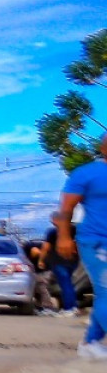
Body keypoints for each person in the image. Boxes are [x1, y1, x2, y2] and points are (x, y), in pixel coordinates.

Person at [56, 131, 107, 360]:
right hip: (96, 241)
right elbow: (66, 208)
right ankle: (91, 342)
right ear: (104, 147)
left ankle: (90, 342)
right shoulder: (86, 173)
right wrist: (64, 237)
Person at [42, 210, 80, 316]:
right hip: (73, 261)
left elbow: (46, 247)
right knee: (68, 284)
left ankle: (70, 308)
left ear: (55, 219)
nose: (52, 222)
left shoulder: (52, 232)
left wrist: (41, 260)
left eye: (52, 220)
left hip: (58, 261)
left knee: (65, 285)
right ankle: (73, 307)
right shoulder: (75, 229)